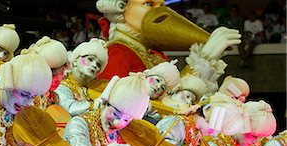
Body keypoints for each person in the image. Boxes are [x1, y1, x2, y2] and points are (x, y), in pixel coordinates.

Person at [96, 0, 240, 82]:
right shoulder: (116, 53)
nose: (159, 12)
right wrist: (204, 60)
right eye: (149, 4)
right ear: (121, 7)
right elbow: (162, 107)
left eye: (162, 6)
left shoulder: (153, 54)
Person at [55, 38, 108, 116]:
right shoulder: (62, 86)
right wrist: (96, 104)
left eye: (98, 65)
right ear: (75, 61)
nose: (94, 65)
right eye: (90, 59)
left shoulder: (93, 91)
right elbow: (70, 108)